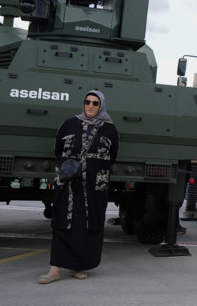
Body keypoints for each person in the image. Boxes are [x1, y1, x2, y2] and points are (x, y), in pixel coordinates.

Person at [39, 90, 119, 284]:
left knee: (86, 225)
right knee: (62, 222)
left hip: (93, 185)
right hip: (68, 182)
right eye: (87, 102)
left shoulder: (110, 129)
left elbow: (113, 154)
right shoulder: (69, 124)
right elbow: (58, 150)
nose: (90, 106)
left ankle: (76, 267)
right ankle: (54, 269)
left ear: (101, 106)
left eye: (95, 103)